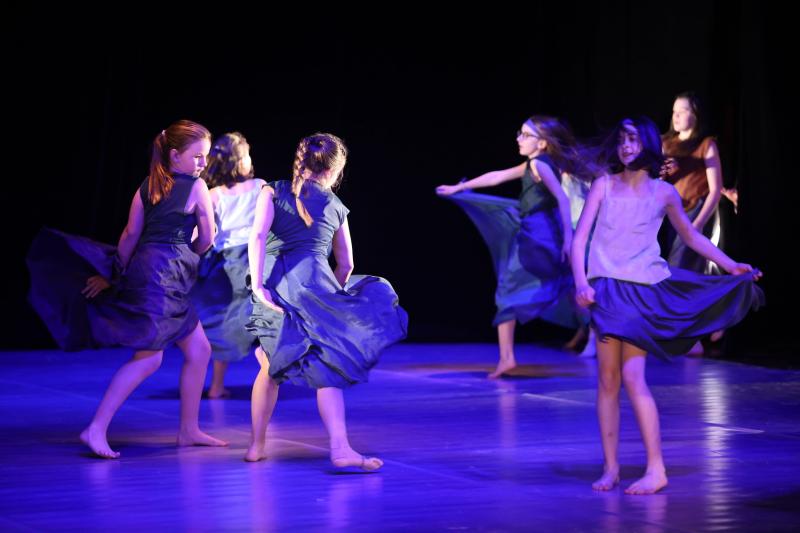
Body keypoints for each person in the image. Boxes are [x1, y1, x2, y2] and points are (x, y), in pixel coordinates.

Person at [570, 117, 764, 494]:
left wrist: (730, 265)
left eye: (633, 139)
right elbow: (580, 240)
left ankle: (656, 469)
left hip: (641, 292)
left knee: (632, 377)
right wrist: (581, 282)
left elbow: (691, 236)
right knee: (607, 380)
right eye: (621, 140)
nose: (626, 146)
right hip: (606, 290)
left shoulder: (663, 193)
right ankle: (611, 468)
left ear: (647, 144)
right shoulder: (604, 185)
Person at [27, 120, 228, 458]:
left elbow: (130, 235)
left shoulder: (147, 186)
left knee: (199, 350)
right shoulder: (197, 188)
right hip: (166, 278)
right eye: (198, 157)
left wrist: (116, 274)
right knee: (149, 358)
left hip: (149, 271)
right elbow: (206, 238)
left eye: (205, 157)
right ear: (175, 155)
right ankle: (96, 428)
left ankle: (188, 429)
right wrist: (191, 252)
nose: (203, 164)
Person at [245, 133, 407, 470]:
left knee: (270, 367)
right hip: (318, 288)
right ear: (333, 170)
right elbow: (346, 263)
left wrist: (258, 285)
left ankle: (256, 446)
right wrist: (336, 295)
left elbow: (257, 236)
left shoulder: (272, 191)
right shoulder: (335, 206)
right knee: (326, 370)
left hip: (277, 287)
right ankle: (340, 447)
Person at [437, 116, 587, 378]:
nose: (519, 138)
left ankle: (507, 358)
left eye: (526, 135)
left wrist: (567, 239)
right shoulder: (534, 163)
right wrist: (460, 187)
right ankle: (602, 336)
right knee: (561, 285)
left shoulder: (539, 164)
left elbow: (563, 200)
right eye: (520, 133)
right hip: (537, 232)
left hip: (539, 235)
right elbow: (498, 176)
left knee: (509, 289)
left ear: (542, 143)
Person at [192, 132, 264, 398]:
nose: (250, 161)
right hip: (250, 262)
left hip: (222, 267)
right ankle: (268, 379)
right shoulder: (259, 187)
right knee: (257, 321)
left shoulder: (214, 195)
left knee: (224, 321)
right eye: (247, 156)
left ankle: (216, 385)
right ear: (238, 161)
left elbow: (202, 233)